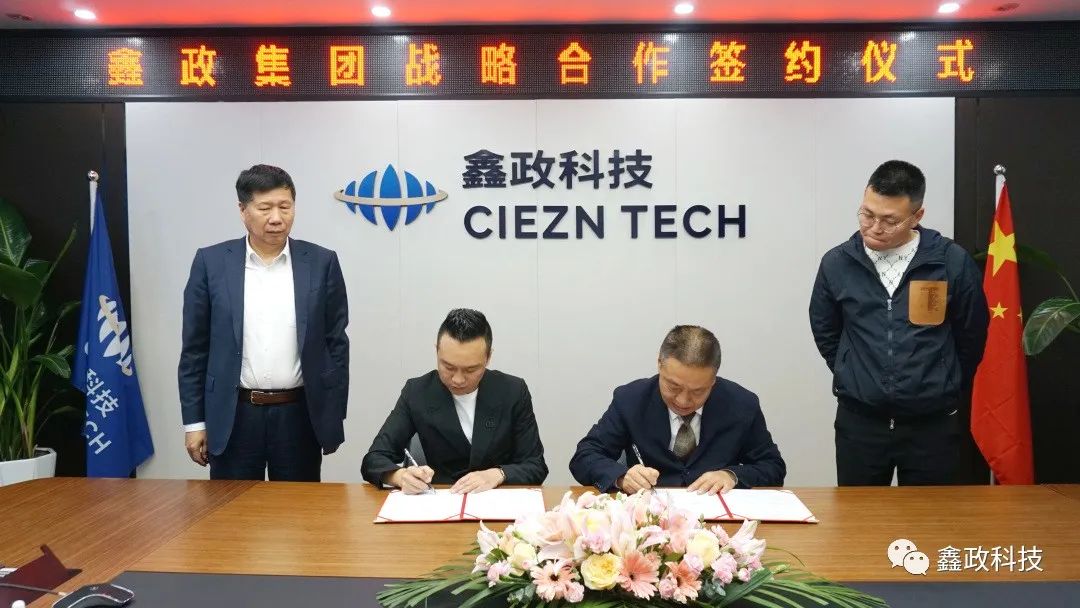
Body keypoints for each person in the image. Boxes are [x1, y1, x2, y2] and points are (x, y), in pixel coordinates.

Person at [809, 160, 989, 486]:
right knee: (859, 514)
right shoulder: (838, 263)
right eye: (867, 214)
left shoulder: (950, 261)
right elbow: (826, 330)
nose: (875, 227)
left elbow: (971, 335)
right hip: (860, 423)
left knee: (929, 514)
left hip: (932, 426)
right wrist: (853, 371)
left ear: (917, 216)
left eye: (890, 220)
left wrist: (941, 381)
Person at [178, 164, 349, 481]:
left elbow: (336, 342)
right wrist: (195, 423)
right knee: (232, 508)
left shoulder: (321, 262)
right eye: (265, 208)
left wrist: (332, 412)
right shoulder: (211, 263)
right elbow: (194, 350)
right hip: (234, 415)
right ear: (243, 210)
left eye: (285, 206)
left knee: (298, 508)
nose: (277, 218)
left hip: (299, 415)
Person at [569, 325, 785, 494]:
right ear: (659, 364)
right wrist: (621, 476)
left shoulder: (741, 404)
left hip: (717, 519)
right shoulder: (631, 400)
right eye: (673, 387)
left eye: (698, 391)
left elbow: (773, 467)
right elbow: (585, 455)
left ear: (713, 380)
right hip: (649, 517)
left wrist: (732, 476)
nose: (683, 400)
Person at [361, 308, 548, 494]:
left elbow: (536, 466)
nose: (458, 380)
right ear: (437, 351)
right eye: (448, 367)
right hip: (442, 499)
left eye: (470, 370)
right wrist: (400, 476)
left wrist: (498, 474)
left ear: (488, 357)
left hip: (497, 500)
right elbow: (374, 459)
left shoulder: (513, 391)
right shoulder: (417, 392)